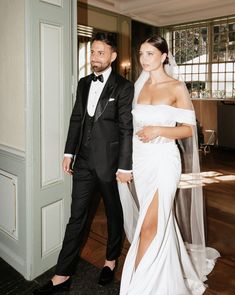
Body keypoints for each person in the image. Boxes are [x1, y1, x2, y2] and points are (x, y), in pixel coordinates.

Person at [33, 32, 134, 295]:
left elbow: (126, 129)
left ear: (113, 56)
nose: (94, 57)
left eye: (101, 52)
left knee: (113, 215)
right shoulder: (83, 83)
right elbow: (77, 119)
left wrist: (124, 166)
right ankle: (61, 276)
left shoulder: (124, 87)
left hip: (111, 166)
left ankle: (110, 262)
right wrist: (69, 152)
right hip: (84, 163)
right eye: (92, 52)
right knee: (76, 217)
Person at [118, 35, 220, 295]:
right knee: (157, 220)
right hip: (141, 161)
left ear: (164, 56)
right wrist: (125, 164)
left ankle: (137, 286)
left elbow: (188, 131)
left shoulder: (176, 87)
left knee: (150, 225)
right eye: (141, 54)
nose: (143, 59)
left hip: (164, 160)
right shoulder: (138, 86)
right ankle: (165, 273)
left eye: (150, 54)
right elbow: (129, 130)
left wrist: (158, 130)